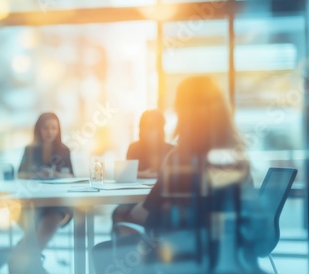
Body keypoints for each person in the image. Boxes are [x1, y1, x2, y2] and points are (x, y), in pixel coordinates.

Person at [93, 76, 254, 273]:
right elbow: (255, 229)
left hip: (181, 257)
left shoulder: (179, 160)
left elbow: (145, 215)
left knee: (103, 251)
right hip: (228, 260)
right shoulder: (237, 158)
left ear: (182, 113)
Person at [10, 113, 73, 274]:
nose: (49, 132)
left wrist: (55, 175)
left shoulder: (64, 150)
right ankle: (34, 264)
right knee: (29, 217)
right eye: (46, 128)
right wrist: (35, 175)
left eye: (53, 128)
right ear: (39, 129)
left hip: (57, 204)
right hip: (32, 203)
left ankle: (21, 256)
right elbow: (20, 174)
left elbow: (72, 176)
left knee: (50, 220)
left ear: (58, 130)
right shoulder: (30, 150)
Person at [127, 109, 174, 179]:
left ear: (160, 128)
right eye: (144, 126)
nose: (147, 129)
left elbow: (176, 174)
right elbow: (127, 173)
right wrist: (142, 174)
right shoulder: (133, 148)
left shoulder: (171, 150)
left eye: (152, 126)